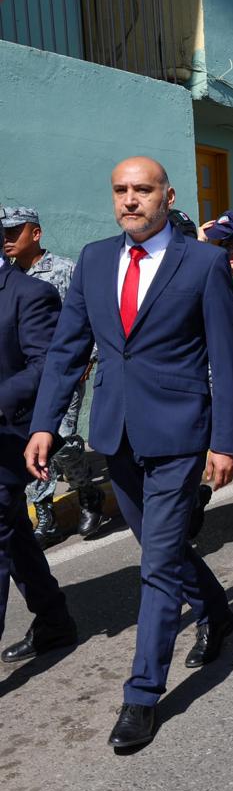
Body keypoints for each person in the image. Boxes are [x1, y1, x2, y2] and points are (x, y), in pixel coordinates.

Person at [26, 156, 233, 749]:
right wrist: (45, 425)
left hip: (178, 434)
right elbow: (67, 351)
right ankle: (217, 610)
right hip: (115, 431)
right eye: (121, 190)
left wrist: (225, 440)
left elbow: (225, 358)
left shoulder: (203, 262)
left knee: (157, 567)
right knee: (159, 547)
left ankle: (142, 694)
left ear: (167, 196)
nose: (130, 200)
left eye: (142, 190)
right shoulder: (96, 259)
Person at [1, 206, 107, 542]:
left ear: (36, 233)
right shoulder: (7, 277)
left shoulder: (64, 269)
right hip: (23, 380)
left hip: (62, 374)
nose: (6, 239)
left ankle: (87, 492)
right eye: (3, 233)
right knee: (30, 443)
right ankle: (44, 512)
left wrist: (88, 359)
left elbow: (89, 317)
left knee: (60, 440)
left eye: (14, 231)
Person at [0, 254, 77, 664]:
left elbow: (48, 362)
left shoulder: (30, 293)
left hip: (9, 436)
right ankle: (54, 619)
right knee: (12, 531)